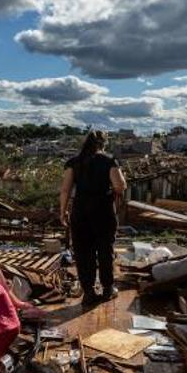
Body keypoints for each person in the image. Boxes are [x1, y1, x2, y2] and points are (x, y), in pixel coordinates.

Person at [59, 130, 126, 305]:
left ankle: (88, 292)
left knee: (83, 252)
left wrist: (62, 211)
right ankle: (108, 289)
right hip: (103, 211)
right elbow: (120, 186)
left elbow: (65, 190)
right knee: (105, 250)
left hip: (80, 212)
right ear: (103, 144)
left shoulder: (74, 162)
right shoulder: (109, 161)